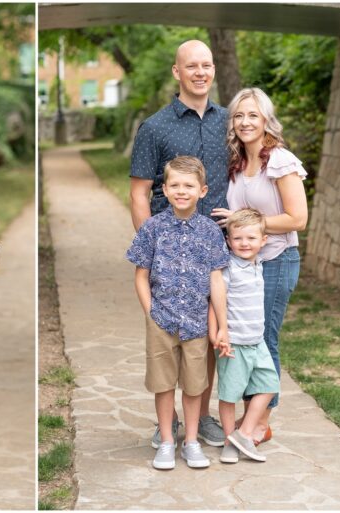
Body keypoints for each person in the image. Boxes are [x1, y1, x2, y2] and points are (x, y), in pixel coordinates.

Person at [129, 39, 230, 449]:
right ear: (177, 72)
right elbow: (139, 193)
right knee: (168, 340)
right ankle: (167, 425)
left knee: (207, 336)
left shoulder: (228, 121)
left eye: (207, 65)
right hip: (169, 252)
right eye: (192, 66)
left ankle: (200, 417)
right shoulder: (155, 128)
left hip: (216, 247)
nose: (200, 72)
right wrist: (152, 252)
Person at [210, 87, 308, 445]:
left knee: (263, 339)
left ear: (266, 119)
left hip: (276, 261)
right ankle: (251, 418)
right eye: (238, 115)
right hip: (242, 268)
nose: (245, 122)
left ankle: (259, 424)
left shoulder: (279, 161)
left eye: (253, 115)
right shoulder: (238, 163)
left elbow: (298, 219)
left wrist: (247, 222)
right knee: (244, 337)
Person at [126, 156, 229, 470]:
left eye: (189, 185)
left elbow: (216, 279)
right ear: (165, 190)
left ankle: (192, 441)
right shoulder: (153, 229)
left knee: (195, 384)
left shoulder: (211, 232)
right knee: (163, 382)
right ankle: (168, 442)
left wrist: (221, 325)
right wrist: (151, 311)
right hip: (162, 319)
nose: (181, 191)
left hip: (197, 322)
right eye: (175, 185)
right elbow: (141, 275)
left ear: (202, 190)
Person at [210, 209, 279, 464]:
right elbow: (214, 303)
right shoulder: (228, 269)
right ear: (229, 241)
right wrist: (217, 334)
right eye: (238, 238)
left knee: (270, 386)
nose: (244, 243)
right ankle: (230, 441)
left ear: (263, 241)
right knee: (229, 395)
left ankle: (244, 433)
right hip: (234, 343)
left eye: (251, 238)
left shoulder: (258, 265)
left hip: (257, 341)